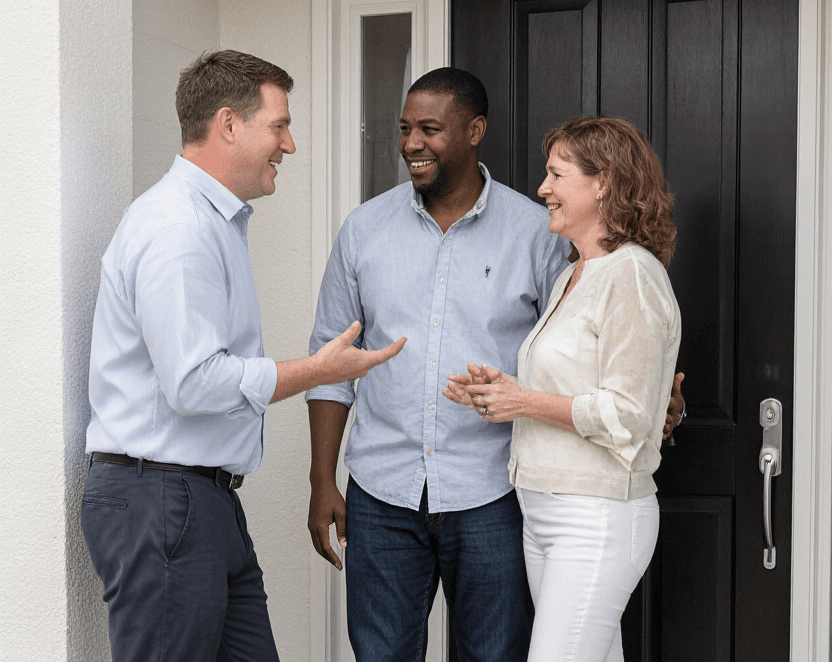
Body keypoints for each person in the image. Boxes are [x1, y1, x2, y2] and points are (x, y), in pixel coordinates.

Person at [306, 69, 683, 660]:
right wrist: (321, 478)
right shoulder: (364, 230)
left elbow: (605, 347)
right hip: (381, 491)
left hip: (493, 495)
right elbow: (329, 362)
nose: (411, 143)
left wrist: (657, 394)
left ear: (475, 130)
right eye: (405, 129)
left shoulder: (542, 235)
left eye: (430, 128)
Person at [81, 50, 405, 662]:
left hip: (198, 502)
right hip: (163, 503)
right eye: (279, 125)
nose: (289, 143)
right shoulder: (178, 228)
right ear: (229, 124)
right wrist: (321, 371)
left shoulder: (212, 222)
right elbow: (195, 383)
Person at [445, 116, 681, 662]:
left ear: (604, 183)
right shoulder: (573, 274)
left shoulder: (632, 275)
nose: (542, 189)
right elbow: (571, 386)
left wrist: (522, 401)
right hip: (545, 515)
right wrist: (502, 391)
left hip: (595, 518)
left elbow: (628, 414)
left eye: (556, 175)